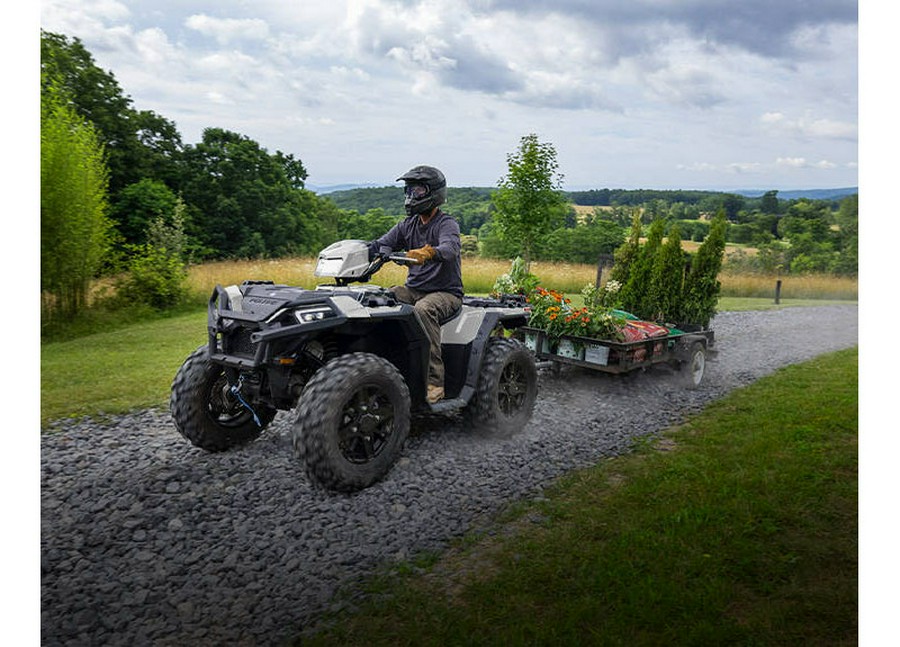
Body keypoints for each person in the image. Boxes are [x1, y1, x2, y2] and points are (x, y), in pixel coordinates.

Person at [371, 165, 463, 404]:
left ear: (433, 193)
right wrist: (364, 251)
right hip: (414, 290)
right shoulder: (407, 224)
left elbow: (450, 249)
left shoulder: (446, 224)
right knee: (381, 299)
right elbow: (382, 244)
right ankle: (381, 370)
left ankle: (434, 383)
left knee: (424, 310)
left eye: (418, 190)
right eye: (409, 190)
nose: (412, 196)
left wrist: (429, 252)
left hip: (446, 293)